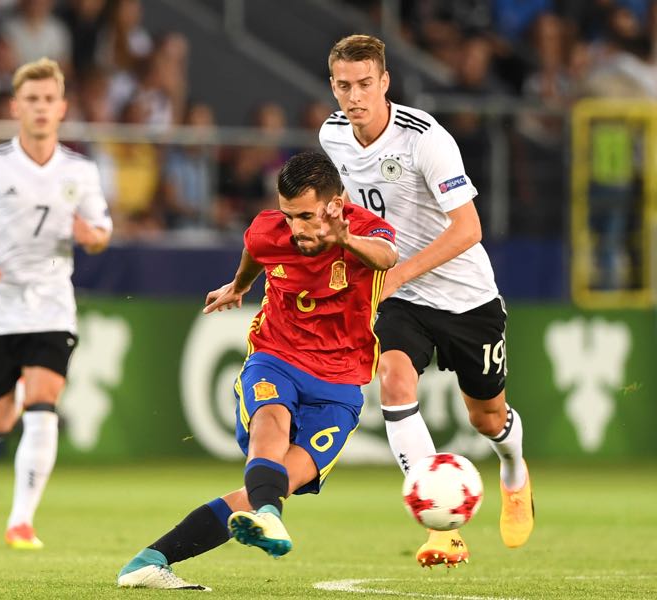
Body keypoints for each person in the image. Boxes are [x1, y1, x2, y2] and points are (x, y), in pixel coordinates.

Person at [116, 151, 398, 590]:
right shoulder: (269, 229)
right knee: (270, 424)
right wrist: (240, 285)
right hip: (276, 356)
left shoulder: (364, 229)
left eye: (306, 216)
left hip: (340, 384)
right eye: (289, 216)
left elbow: (387, 257)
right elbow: (255, 248)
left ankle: (149, 561)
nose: (296, 228)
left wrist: (346, 241)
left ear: (336, 205)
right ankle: (270, 516)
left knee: (274, 483)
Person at [319, 34, 535, 568]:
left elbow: (469, 229)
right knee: (392, 378)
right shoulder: (332, 136)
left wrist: (397, 274)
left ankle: (515, 473)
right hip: (404, 297)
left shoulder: (425, 139)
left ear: (385, 81)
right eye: (344, 86)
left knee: (488, 417)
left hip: (466, 298)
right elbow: (354, 205)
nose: (355, 97)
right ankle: (443, 530)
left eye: (365, 84)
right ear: (333, 86)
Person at [0, 57, 112, 550]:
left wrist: (89, 237)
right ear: (16, 107)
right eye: (31, 100)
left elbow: (101, 233)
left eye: (48, 100)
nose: (40, 108)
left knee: (44, 403)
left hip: (52, 305)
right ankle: (12, 402)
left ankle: (21, 521)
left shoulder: (81, 170)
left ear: (62, 108)